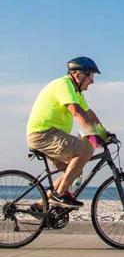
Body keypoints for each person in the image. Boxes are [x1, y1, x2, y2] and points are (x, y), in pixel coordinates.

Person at [26, 57, 109, 207]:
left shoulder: (77, 93)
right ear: (78, 75)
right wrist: (93, 135)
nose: (92, 81)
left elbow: (89, 114)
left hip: (51, 134)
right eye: (90, 76)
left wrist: (104, 134)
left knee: (74, 171)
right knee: (85, 149)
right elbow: (76, 112)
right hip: (43, 134)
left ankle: (40, 206)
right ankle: (60, 194)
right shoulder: (63, 85)